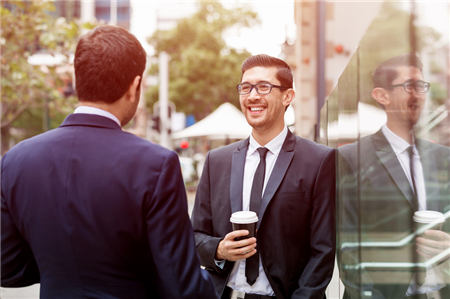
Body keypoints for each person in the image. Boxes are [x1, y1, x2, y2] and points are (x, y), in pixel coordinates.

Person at [1, 25, 216, 299]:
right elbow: (184, 286)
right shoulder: (156, 164)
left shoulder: (15, 161)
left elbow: (6, 266)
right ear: (135, 86)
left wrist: (58, 268)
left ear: (79, 81)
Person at [192, 54, 336, 299]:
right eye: (246, 87)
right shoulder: (217, 161)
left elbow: (322, 251)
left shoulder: (319, 160)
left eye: (264, 87)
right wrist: (219, 249)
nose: (253, 96)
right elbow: (193, 237)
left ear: (287, 96)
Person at [337, 54, 450, 298]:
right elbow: (348, 247)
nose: (419, 94)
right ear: (382, 95)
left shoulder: (444, 158)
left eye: (422, 86)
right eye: (410, 86)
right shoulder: (350, 158)